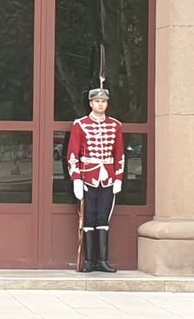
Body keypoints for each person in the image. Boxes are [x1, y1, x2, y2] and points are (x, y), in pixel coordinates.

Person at [67, 87, 124, 273]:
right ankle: (89, 261)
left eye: (104, 101)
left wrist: (118, 177)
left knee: (103, 218)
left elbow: (119, 154)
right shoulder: (80, 125)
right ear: (91, 103)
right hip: (87, 177)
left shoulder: (115, 125)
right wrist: (76, 178)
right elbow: (73, 154)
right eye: (97, 101)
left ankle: (102, 261)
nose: (101, 104)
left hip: (107, 178)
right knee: (88, 217)